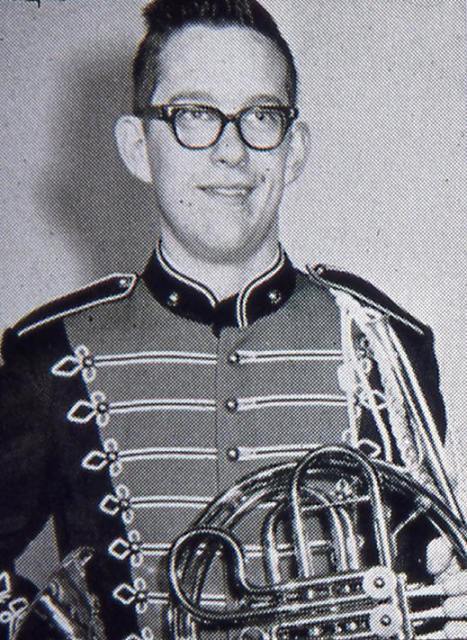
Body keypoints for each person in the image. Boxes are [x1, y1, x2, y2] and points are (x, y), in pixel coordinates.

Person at [0, 0, 465, 639]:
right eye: (194, 114)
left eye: (261, 116)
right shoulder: (52, 356)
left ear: (294, 150)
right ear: (138, 148)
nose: (231, 151)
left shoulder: (387, 345)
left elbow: (428, 581)